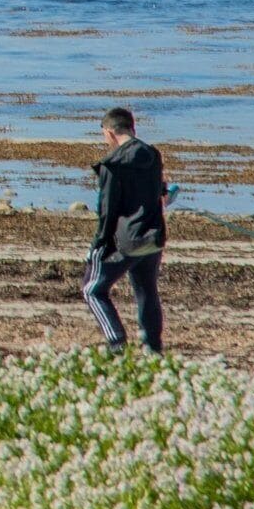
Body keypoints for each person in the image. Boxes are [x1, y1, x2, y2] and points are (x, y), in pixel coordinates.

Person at [83, 104, 167, 354]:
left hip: (128, 239)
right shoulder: (153, 155)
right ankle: (153, 348)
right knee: (146, 290)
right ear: (133, 128)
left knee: (92, 289)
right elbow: (156, 191)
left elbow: (107, 210)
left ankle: (116, 342)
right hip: (153, 236)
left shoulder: (112, 164)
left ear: (109, 133)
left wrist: (100, 243)